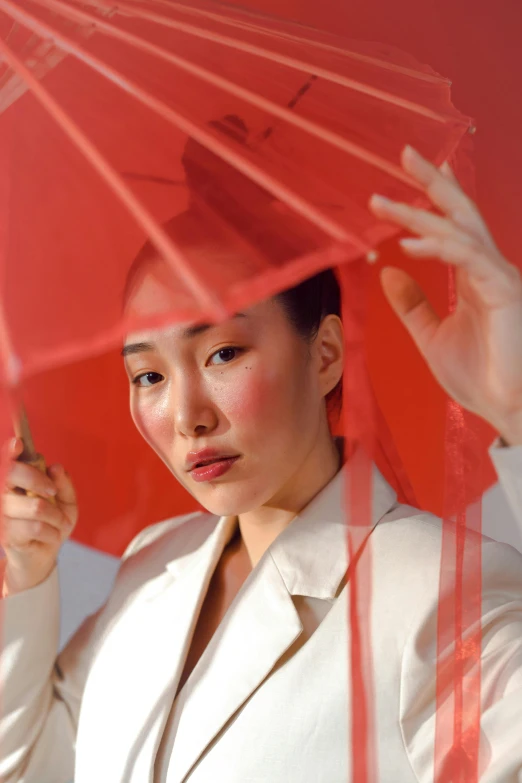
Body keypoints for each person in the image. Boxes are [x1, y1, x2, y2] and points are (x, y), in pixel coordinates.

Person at [0, 144, 521, 783]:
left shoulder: (439, 590)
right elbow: (31, 770)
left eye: (222, 353)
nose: (187, 415)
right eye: (149, 374)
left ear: (325, 353)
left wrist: (519, 407)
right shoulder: (153, 565)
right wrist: (27, 580)